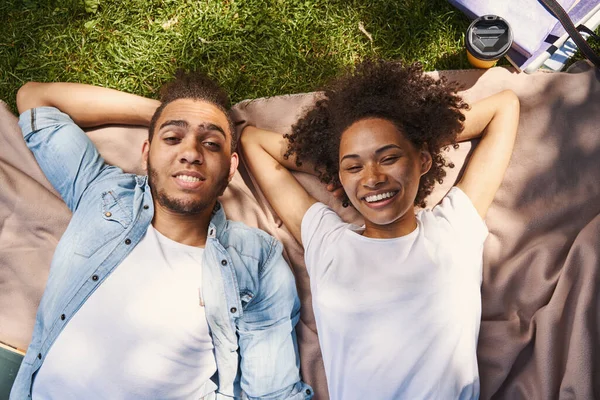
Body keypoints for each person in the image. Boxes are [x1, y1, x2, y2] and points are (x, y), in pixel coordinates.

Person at [10, 71, 313, 400]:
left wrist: (175, 120)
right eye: (172, 138)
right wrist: (160, 112)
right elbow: (34, 98)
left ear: (230, 168)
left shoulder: (256, 258)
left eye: (211, 143)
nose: (191, 152)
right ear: (146, 154)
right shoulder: (104, 194)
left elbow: (273, 393)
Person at [240, 60, 520, 399]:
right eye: (355, 165)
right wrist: (338, 169)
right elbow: (254, 142)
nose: (373, 178)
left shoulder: (454, 229)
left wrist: (417, 141)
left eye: (389, 159)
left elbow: (504, 107)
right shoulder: (327, 241)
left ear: (424, 161)